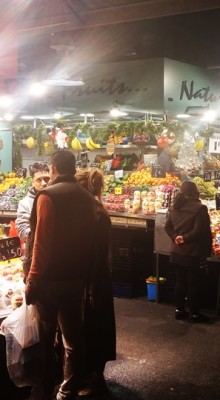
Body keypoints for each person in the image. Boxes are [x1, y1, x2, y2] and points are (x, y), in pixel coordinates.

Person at [24, 150, 97, 400]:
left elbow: (41, 243)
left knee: (45, 337)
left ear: (53, 169)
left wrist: (33, 278)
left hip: (49, 281)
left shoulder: (47, 196)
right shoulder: (88, 198)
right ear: (74, 168)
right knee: (74, 338)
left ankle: (43, 389)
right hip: (76, 278)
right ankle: (68, 390)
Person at [75, 168, 116, 397]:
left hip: (95, 278)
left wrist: (91, 285)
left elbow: (98, 255)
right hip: (91, 277)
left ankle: (95, 380)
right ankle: (87, 376)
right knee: (89, 327)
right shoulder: (89, 210)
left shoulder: (96, 213)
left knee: (95, 327)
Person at [165, 180, 212, 323]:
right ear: (195, 193)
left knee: (180, 281)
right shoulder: (199, 208)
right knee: (193, 283)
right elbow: (199, 231)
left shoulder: (174, 207)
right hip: (192, 252)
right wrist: (184, 239)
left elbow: (168, 227)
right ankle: (195, 314)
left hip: (177, 251)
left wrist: (176, 238)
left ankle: (179, 310)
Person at [15, 162, 50, 242]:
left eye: (46, 179)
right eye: (39, 180)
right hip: (35, 250)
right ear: (32, 182)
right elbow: (22, 231)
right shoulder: (25, 203)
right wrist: (44, 236)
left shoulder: (57, 198)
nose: (44, 183)